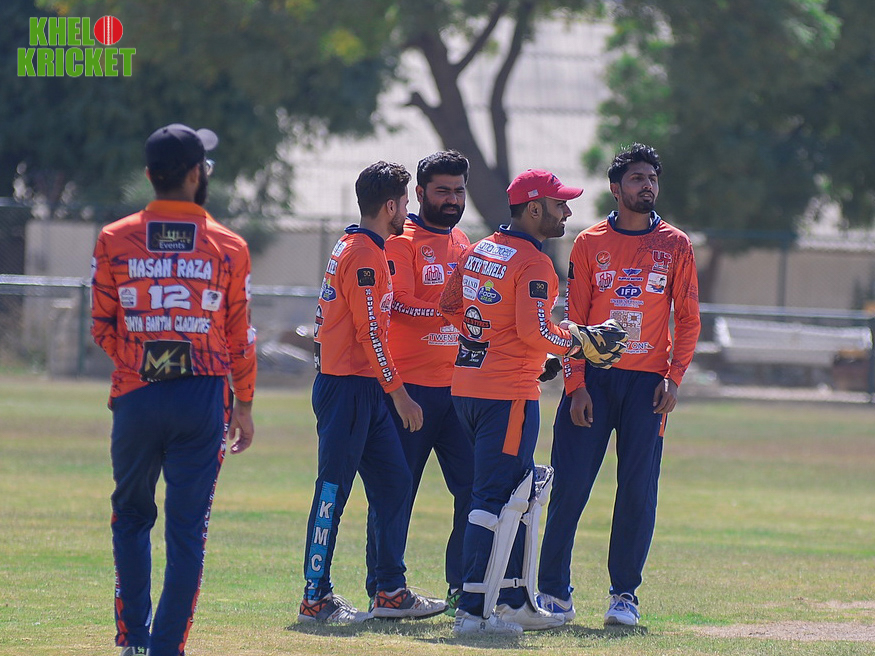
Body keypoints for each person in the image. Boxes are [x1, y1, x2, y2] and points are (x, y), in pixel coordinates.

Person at [91, 123, 257, 656]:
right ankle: (165, 649)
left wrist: (142, 363)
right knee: (187, 531)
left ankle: (133, 642)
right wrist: (244, 403)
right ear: (194, 176)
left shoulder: (114, 238)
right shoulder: (229, 246)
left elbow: (101, 324)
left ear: (148, 175)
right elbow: (239, 337)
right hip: (202, 399)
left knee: (131, 517)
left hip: (136, 397)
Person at [439, 169, 626, 635]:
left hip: (467, 387)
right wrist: (580, 341)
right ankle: (473, 613)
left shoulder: (480, 249)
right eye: (559, 204)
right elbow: (536, 330)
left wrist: (489, 347)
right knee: (494, 500)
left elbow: (450, 306)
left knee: (512, 496)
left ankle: (513, 601)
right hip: (507, 397)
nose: (567, 212)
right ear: (534, 208)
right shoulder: (534, 263)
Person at [536, 143, 701, 627]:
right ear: (615, 188)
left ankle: (624, 595)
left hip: (647, 386)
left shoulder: (676, 244)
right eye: (636, 179)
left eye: (652, 178)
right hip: (593, 381)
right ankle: (553, 594)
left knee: (637, 490)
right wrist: (576, 385)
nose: (647, 186)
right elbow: (573, 319)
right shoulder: (589, 243)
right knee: (570, 486)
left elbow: (688, 319)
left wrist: (673, 378)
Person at [299, 161, 447, 623]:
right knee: (333, 490)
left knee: (394, 481)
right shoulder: (363, 254)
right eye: (404, 202)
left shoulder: (363, 244)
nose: (408, 209)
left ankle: (389, 591)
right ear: (390, 206)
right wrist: (399, 394)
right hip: (347, 388)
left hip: (364, 389)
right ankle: (314, 597)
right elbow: (371, 335)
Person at [362, 151, 474, 615]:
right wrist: (456, 315)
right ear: (421, 193)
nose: (452, 200)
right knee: (395, 491)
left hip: (458, 392)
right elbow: (401, 304)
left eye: (459, 191)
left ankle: (464, 585)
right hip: (407, 392)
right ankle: (385, 588)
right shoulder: (400, 241)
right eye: (443, 191)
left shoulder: (463, 241)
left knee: (474, 488)